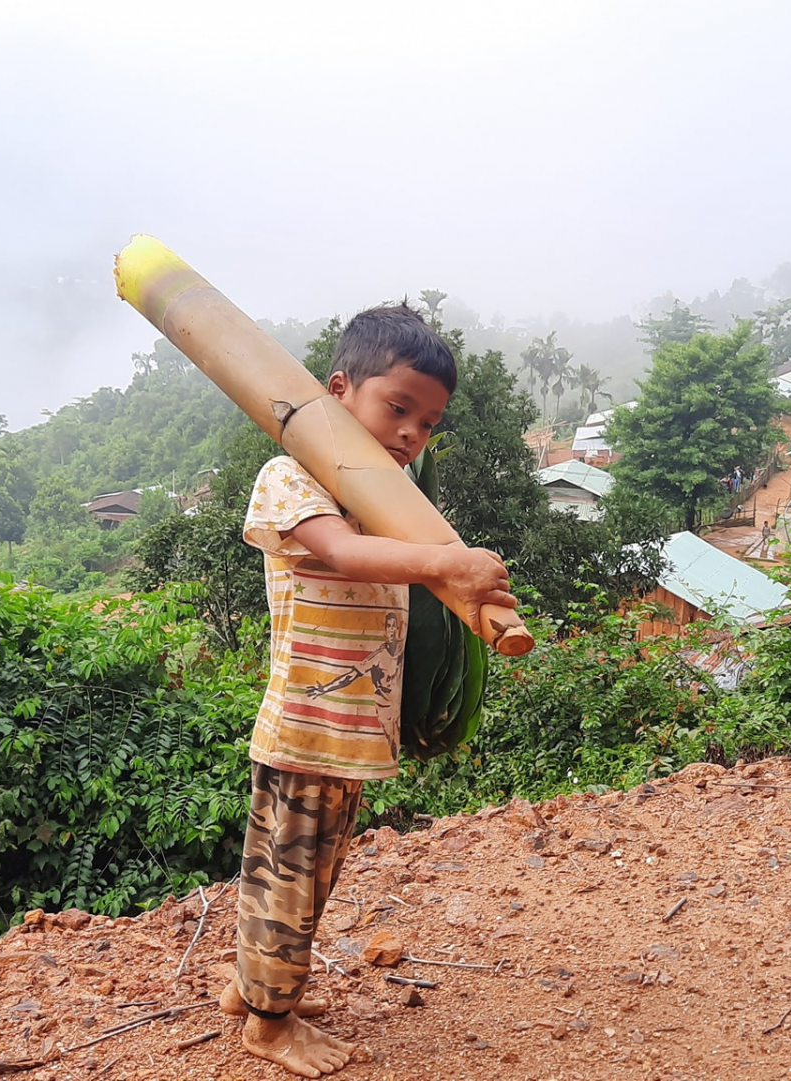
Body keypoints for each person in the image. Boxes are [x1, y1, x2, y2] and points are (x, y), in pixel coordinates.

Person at [215, 304, 517, 1078]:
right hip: (309, 727)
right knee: (290, 871)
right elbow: (343, 555)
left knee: (305, 871)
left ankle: (254, 984)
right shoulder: (289, 477)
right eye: (398, 407)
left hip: (350, 732)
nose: (412, 432)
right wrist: (446, 566)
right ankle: (270, 1024)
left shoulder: (384, 497)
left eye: (428, 421)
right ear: (340, 389)